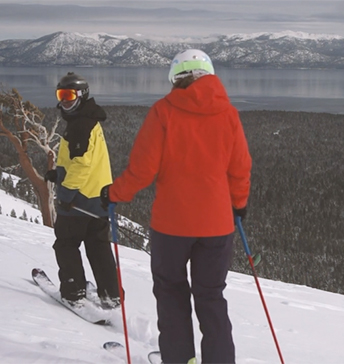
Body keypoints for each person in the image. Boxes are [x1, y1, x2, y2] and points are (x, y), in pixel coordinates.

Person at [100, 49, 252, 364]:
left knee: (171, 296)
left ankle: (179, 359)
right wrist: (238, 205)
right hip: (217, 225)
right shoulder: (229, 114)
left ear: (176, 77)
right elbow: (240, 169)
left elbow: (143, 169)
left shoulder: (163, 111)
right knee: (211, 299)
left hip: (172, 226)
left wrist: (115, 193)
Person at [44, 72, 120, 309]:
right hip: (98, 196)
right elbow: (88, 159)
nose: (64, 101)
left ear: (82, 95)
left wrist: (65, 194)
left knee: (66, 243)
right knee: (98, 246)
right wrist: (59, 174)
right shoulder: (90, 119)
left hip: (79, 199)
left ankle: (74, 292)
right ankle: (111, 294)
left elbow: (81, 164)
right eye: (61, 95)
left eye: (69, 95)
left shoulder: (79, 126)